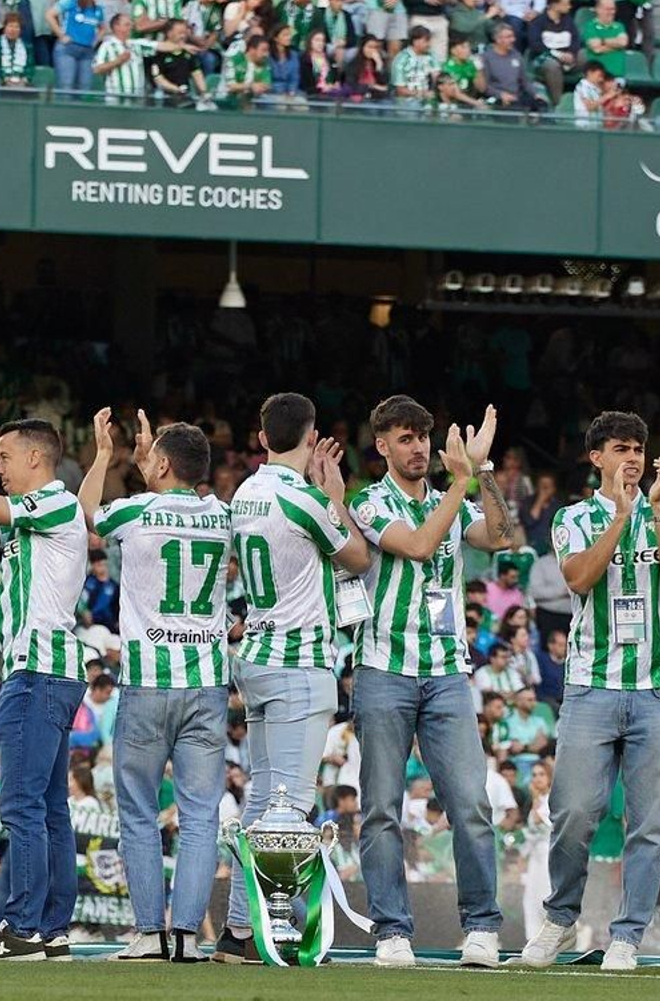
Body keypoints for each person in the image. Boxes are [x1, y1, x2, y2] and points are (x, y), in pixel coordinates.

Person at [520, 410, 660, 972]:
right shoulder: (572, 517)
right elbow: (577, 578)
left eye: (639, 448)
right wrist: (621, 517)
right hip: (591, 687)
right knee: (573, 812)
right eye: (621, 448)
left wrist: (658, 512)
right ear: (596, 457)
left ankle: (627, 935)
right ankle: (560, 919)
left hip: (658, 690)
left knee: (649, 823)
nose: (634, 458)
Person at [350, 397, 520, 967]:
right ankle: (391, 931)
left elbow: (500, 537)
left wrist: (485, 474)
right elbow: (421, 545)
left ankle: (481, 928)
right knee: (381, 807)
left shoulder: (455, 496)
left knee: (470, 802)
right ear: (382, 446)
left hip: (447, 670)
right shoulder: (369, 501)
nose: (419, 448)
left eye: (423, 437)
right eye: (405, 438)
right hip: (383, 669)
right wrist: (460, 482)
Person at [216, 392, 371, 963]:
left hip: (255, 656)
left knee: (263, 802)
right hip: (298, 663)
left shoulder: (245, 493)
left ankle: (240, 930)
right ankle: (283, 931)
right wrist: (335, 495)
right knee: (290, 809)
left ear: (261, 439)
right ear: (311, 441)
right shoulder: (305, 498)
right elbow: (357, 558)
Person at [0, 387, 87, 962]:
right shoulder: (33, 521)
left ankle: (23, 927)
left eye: (3, 457)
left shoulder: (52, 501)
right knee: (49, 807)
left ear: (35, 458)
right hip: (49, 671)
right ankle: (50, 929)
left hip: (39, 670)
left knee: (23, 805)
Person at [81, 411, 230, 963]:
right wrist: (154, 466)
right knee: (199, 814)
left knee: (139, 812)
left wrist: (104, 455)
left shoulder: (136, 509)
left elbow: (86, 515)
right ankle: (189, 936)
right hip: (208, 683)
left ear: (160, 463)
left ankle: (148, 934)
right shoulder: (222, 514)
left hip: (146, 682)